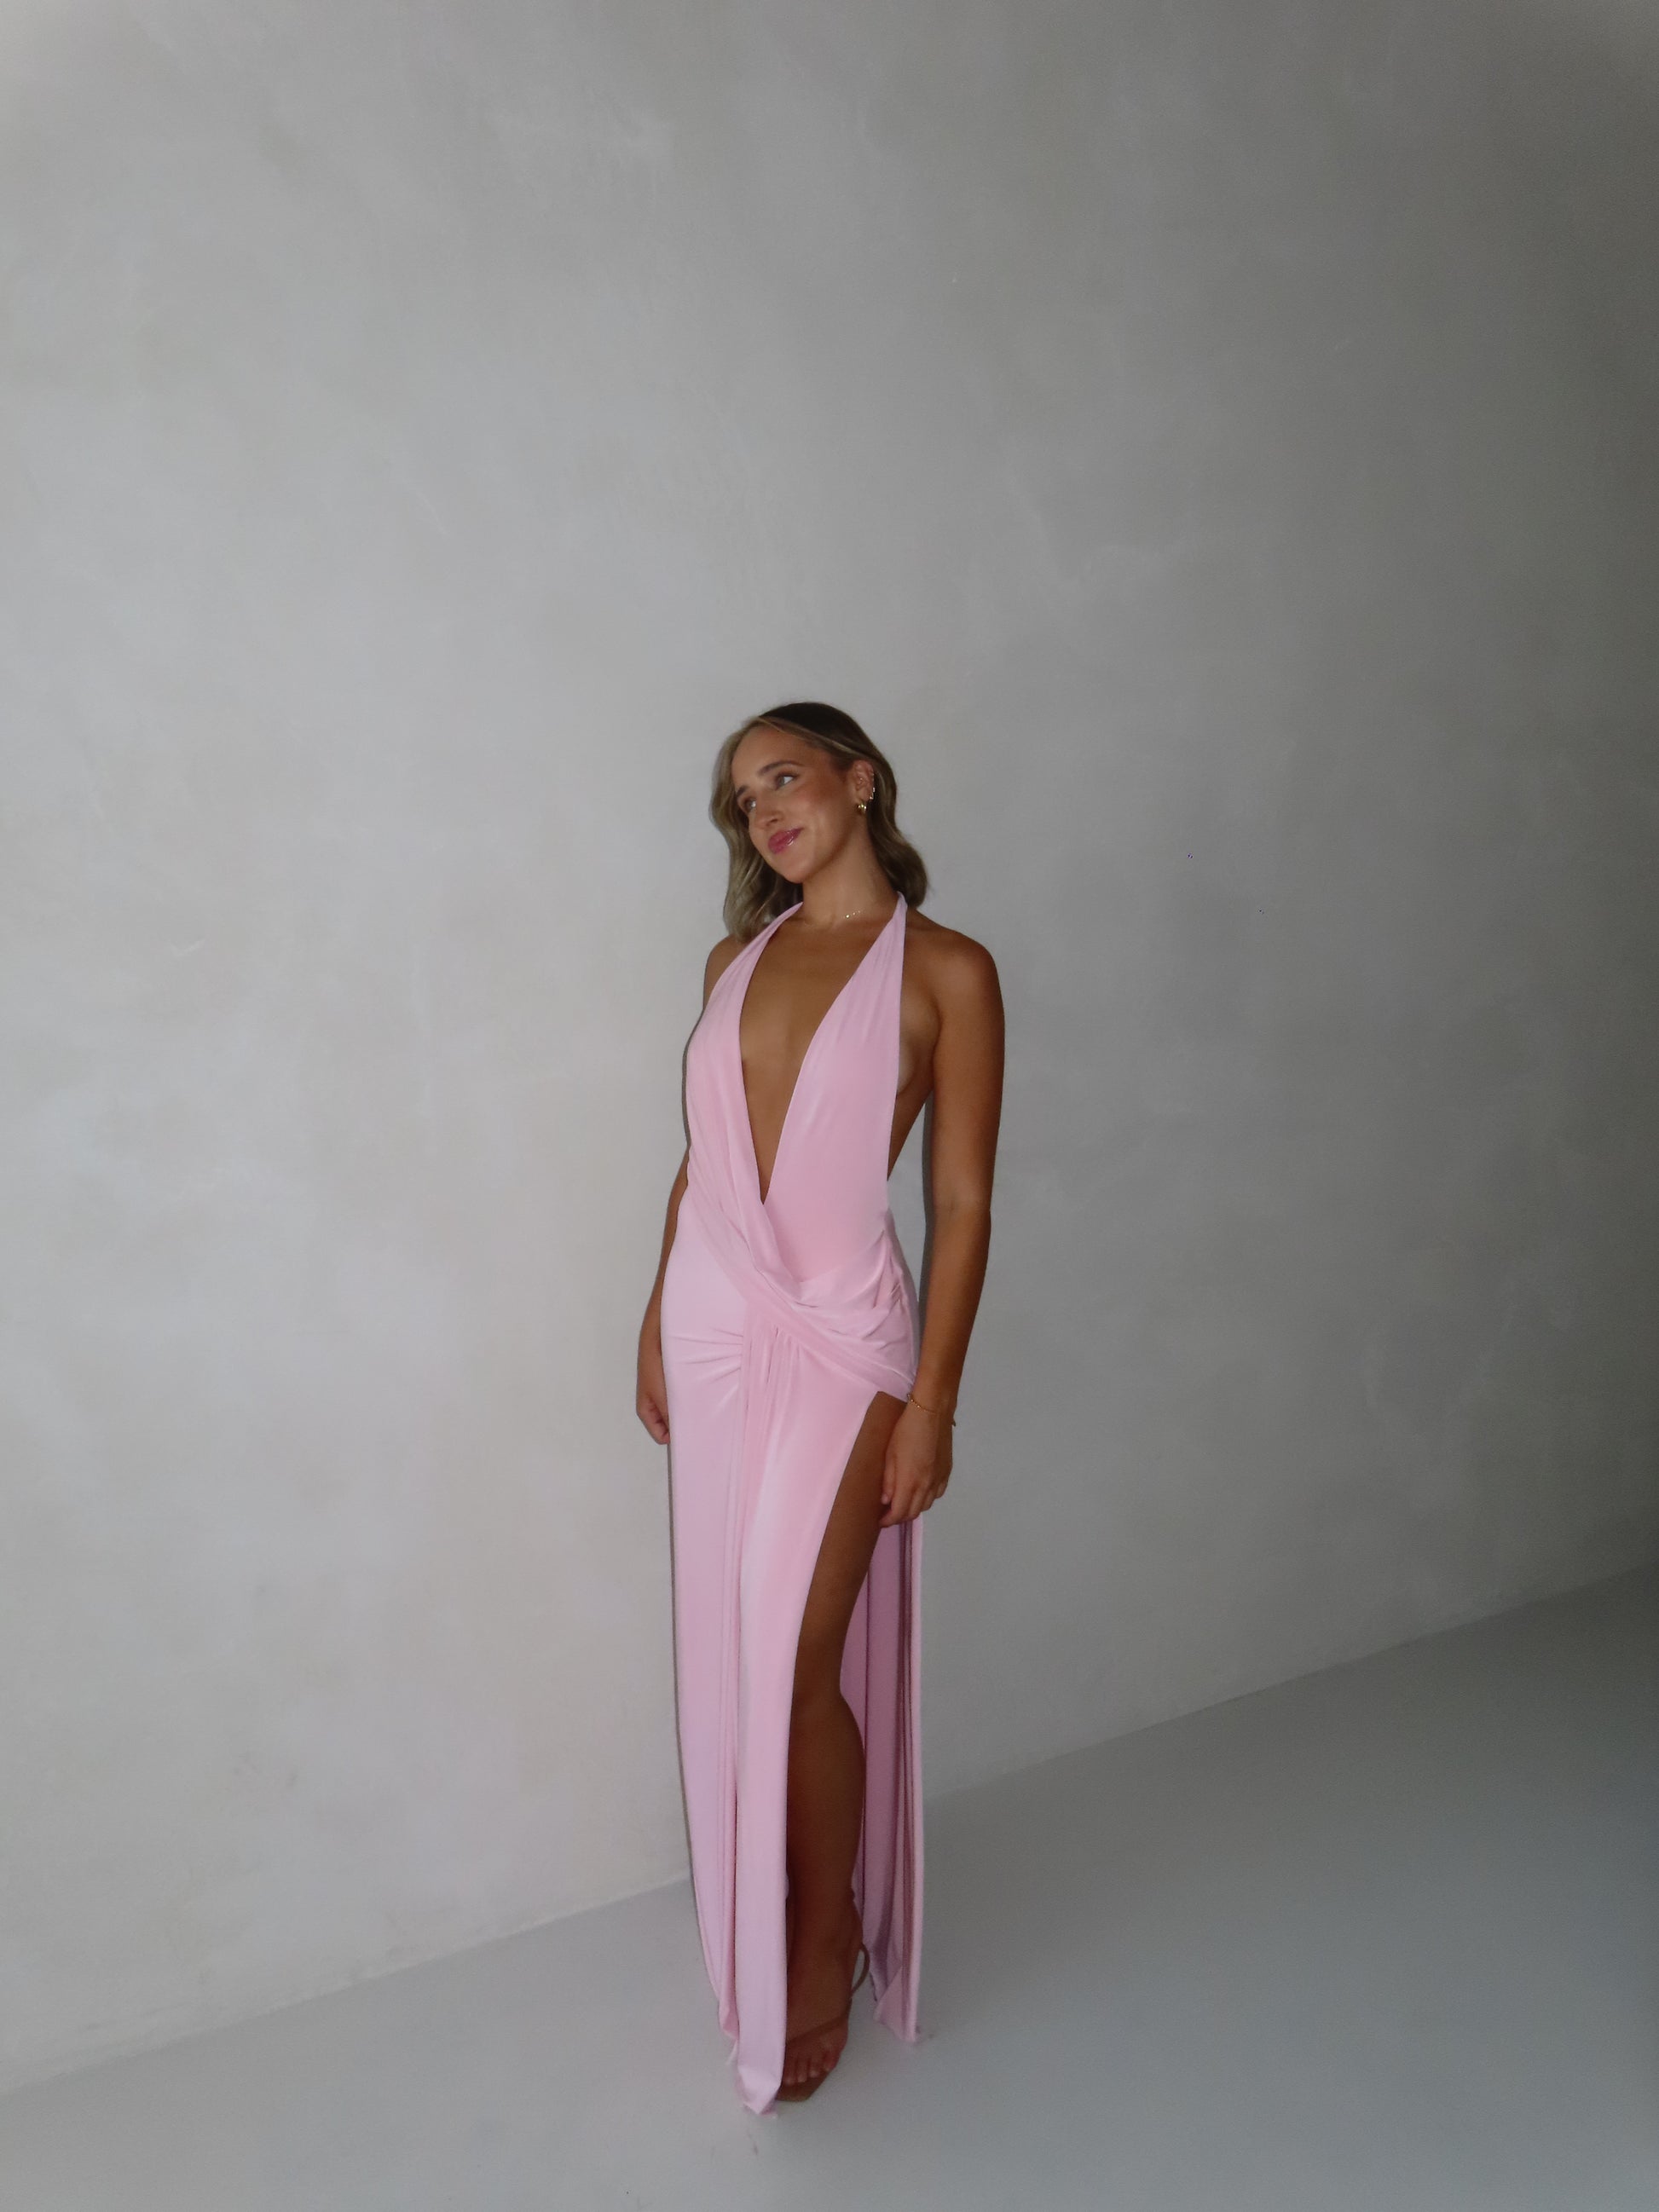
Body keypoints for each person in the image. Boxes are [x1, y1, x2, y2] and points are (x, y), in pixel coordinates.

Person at [636, 702, 1003, 2111]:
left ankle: (824, 1924)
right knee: (738, 1644)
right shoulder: (735, 959)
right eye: (743, 801)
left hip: (847, 1337)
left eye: (784, 778)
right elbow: (701, 1163)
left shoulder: (948, 971)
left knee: (793, 1651)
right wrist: (654, 1316)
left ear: (860, 780)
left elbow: (961, 1200)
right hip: (711, 1319)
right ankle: (787, 1891)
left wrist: (933, 1403)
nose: (764, 813)